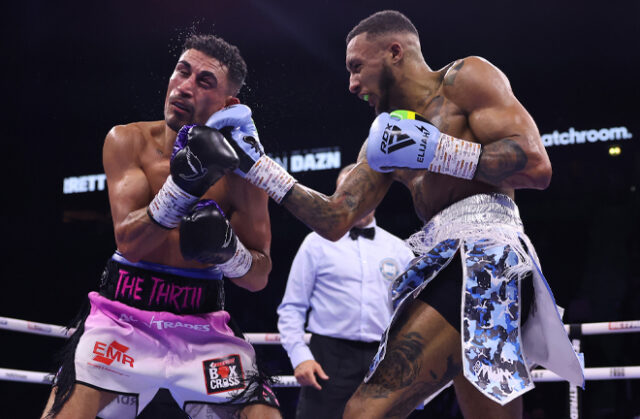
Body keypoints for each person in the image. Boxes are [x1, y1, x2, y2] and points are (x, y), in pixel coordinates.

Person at [211, 10, 584, 419]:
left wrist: (438, 150)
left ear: (394, 52)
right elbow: (336, 218)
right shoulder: (384, 139)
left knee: (364, 412)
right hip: (446, 261)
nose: (352, 85)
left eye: (357, 67)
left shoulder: (465, 78)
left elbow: (536, 167)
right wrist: (259, 165)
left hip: (486, 258)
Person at [41, 34, 281, 419]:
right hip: (122, 317)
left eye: (205, 82)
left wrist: (231, 254)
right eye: (182, 71)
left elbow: (259, 275)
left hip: (204, 327)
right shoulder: (127, 140)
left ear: (228, 104)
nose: (185, 87)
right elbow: (129, 241)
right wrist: (184, 187)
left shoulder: (243, 172)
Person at [277, 164, 415, 418]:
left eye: (364, 192)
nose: (357, 201)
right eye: (349, 193)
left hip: (382, 361)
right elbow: (292, 308)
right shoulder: (315, 244)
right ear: (337, 196)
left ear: (378, 194)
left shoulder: (399, 250)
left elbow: (411, 316)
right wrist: (299, 356)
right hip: (327, 359)